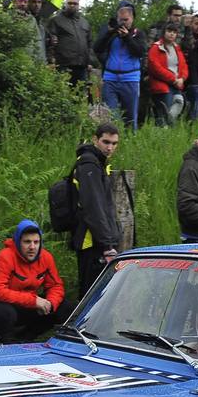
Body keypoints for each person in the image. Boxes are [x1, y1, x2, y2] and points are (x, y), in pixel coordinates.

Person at [0, 220, 73, 343]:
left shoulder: (46, 257)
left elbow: (55, 286)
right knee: (4, 313)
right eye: (27, 242)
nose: (32, 247)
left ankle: (26, 337)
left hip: (27, 305)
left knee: (65, 306)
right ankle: (2, 343)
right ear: (18, 242)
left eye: (36, 242)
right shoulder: (5, 256)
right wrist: (33, 301)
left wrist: (50, 302)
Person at [71, 123, 124, 294]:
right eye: (106, 142)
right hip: (92, 242)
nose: (110, 148)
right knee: (91, 296)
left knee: (102, 295)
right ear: (95, 139)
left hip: (99, 241)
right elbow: (94, 207)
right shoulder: (89, 164)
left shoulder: (99, 163)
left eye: (114, 143)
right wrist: (107, 245)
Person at [93, 3, 145, 128]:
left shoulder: (138, 34)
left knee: (130, 117)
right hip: (110, 78)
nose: (123, 23)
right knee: (110, 115)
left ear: (132, 19)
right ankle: (112, 141)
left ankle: (130, 140)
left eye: (126, 20)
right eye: (121, 20)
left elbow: (140, 52)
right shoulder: (111, 33)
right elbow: (97, 48)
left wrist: (127, 37)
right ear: (117, 19)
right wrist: (109, 33)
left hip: (130, 79)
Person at [46, 0, 93, 88]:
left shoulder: (84, 22)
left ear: (78, 5)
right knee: (63, 95)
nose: (72, 5)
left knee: (80, 96)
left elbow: (89, 43)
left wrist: (90, 62)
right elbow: (49, 41)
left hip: (82, 66)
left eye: (75, 3)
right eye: (70, 3)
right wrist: (51, 60)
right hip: (64, 66)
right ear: (65, 4)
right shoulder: (56, 20)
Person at [146, 22, 187, 126]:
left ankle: (167, 126)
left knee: (179, 101)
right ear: (164, 32)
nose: (171, 34)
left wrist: (182, 78)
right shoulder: (156, 47)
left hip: (176, 84)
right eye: (169, 31)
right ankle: (162, 131)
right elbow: (155, 68)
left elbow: (183, 66)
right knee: (164, 110)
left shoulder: (177, 48)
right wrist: (173, 79)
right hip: (162, 85)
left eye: (174, 32)